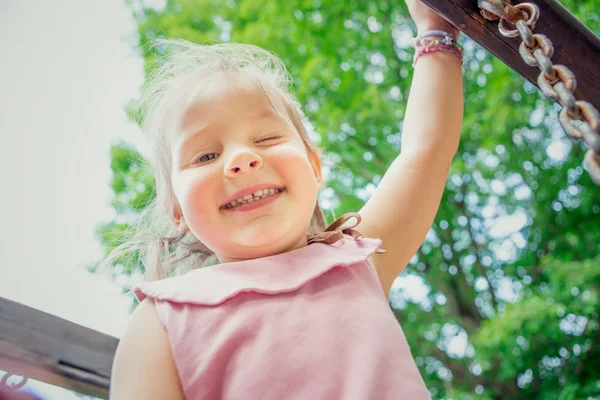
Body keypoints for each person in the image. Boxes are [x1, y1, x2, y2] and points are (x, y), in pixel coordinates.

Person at [108, 1, 463, 398]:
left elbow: (425, 151)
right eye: (206, 156)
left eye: (267, 138)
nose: (242, 159)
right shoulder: (163, 319)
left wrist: (437, 30)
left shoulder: (355, 261)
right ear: (177, 209)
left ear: (314, 167)